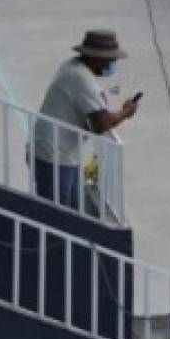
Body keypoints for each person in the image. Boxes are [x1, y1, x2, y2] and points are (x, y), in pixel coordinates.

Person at [33, 30, 138, 211]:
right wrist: (125, 112)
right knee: (57, 213)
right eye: (110, 60)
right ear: (96, 57)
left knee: (73, 206)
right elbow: (101, 124)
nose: (112, 64)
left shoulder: (72, 66)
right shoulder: (81, 78)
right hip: (55, 156)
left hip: (65, 153)